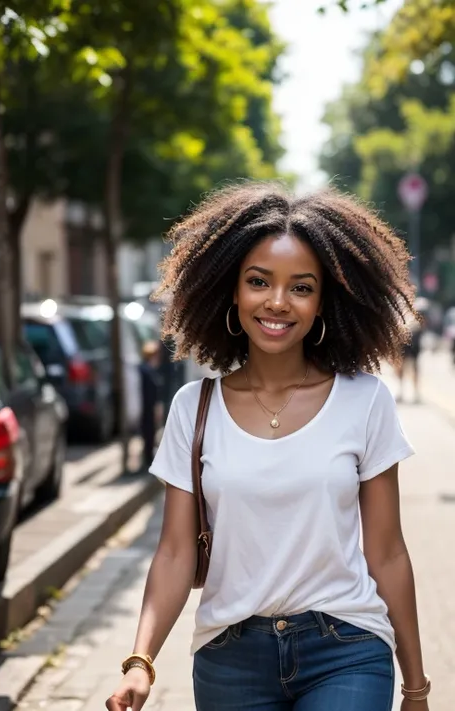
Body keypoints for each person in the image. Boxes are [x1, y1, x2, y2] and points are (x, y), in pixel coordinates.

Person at [106, 183, 430, 711]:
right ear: (231, 290)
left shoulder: (365, 401)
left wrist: (415, 685)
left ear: (324, 300)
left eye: (301, 287)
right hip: (230, 658)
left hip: (346, 647)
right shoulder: (194, 408)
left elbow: (388, 552)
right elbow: (173, 552)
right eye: (259, 282)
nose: (277, 302)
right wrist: (141, 661)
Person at [395, 297, 427, 404]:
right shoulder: (399, 306)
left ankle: (416, 393)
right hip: (403, 342)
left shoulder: (418, 306)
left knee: (414, 368)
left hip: (414, 341)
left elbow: (422, 324)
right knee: (401, 368)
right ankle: (402, 391)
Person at [138, 340, 162, 470]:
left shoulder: (147, 370)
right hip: (147, 408)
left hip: (147, 408)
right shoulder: (148, 372)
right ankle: (148, 460)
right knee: (149, 434)